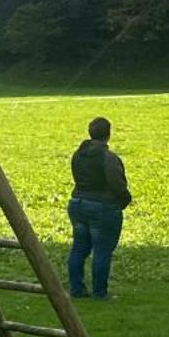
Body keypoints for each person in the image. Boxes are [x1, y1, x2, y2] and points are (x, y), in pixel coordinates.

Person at [67, 116, 131, 299]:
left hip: (78, 202)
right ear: (108, 134)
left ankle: (76, 289)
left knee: (79, 248)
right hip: (102, 207)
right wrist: (124, 200)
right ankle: (100, 293)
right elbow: (118, 184)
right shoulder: (108, 158)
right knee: (102, 250)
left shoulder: (77, 155)